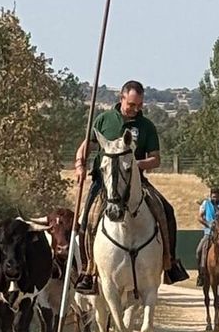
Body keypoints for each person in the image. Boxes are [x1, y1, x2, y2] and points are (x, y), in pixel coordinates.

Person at [71, 80, 191, 294]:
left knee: (167, 211)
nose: (136, 109)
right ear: (122, 99)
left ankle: (170, 263)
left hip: (136, 182)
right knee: (86, 219)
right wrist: (80, 165)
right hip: (104, 182)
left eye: (140, 105)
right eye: (132, 104)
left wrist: (134, 165)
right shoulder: (103, 119)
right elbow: (86, 146)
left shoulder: (146, 126)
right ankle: (88, 271)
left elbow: (155, 159)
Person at [195, 185, 219, 285]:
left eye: (216, 197)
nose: (215, 199)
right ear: (210, 196)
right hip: (209, 233)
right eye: (213, 197)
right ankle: (201, 274)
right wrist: (208, 224)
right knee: (199, 251)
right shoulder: (205, 203)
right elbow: (199, 217)